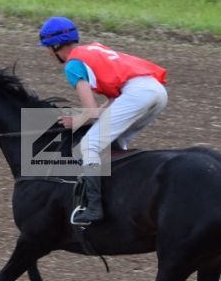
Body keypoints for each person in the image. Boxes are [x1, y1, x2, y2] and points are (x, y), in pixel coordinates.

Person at [37, 17, 168, 225]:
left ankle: (93, 208)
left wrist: (76, 121)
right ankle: (119, 189)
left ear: (55, 45)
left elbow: (90, 111)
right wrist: (87, 117)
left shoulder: (72, 65)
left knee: (90, 145)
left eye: (47, 48)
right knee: (115, 141)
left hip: (138, 93)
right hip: (157, 92)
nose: (48, 53)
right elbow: (110, 103)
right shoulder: (92, 50)